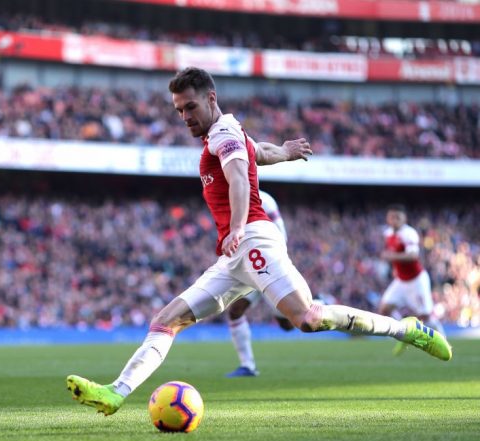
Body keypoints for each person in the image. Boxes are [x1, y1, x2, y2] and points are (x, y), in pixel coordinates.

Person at [66, 67, 452, 416]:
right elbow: (256, 152)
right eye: (179, 111)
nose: (185, 117)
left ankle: (408, 329)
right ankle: (116, 392)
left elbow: (237, 176)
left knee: (309, 319)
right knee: (165, 321)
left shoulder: (223, 133)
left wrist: (236, 227)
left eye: (190, 107)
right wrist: (284, 152)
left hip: (252, 238)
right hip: (234, 256)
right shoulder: (230, 132)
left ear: (211, 98)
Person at [224, 189, 293, 378]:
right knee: (235, 310)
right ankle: (247, 365)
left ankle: (321, 304)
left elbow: (281, 235)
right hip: (248, 264)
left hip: (268, 264)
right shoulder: (230, 197)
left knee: (289, 323)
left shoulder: (264, 200)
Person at [378, 204, 445, 356]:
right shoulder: (387, 233)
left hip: (416, 280)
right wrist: (396, 267)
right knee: (384, 309)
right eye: (391, 217)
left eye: (397, 217)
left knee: (426, 316)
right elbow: (395, 253)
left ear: (404, 219)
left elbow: (413, 255)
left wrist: (391, 257)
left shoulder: (409, 233)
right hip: (401, 281)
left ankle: (443, 340)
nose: (394, 220)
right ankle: (403, 332)